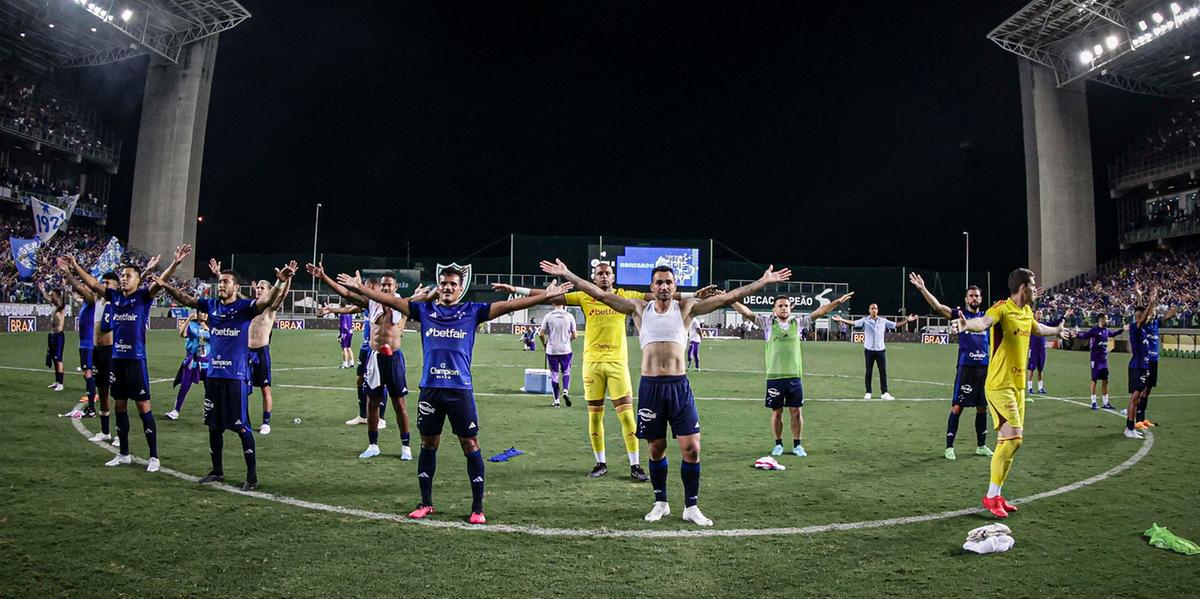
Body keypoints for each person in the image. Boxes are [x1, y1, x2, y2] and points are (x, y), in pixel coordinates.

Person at [543, 259, 790, 526]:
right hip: (651, 388)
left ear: (675, 287)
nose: (663, 286)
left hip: (679, 387)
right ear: (652, 286)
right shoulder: (638, 308)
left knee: (692, 449)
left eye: (669, 282)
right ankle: (661, 503)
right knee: (656, 449)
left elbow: (730, 296)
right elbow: (599, 294)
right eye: (659, 282)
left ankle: (691, 506)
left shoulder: (687, 308)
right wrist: (568, 273)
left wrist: (763, 282)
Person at [340, 266, 572, 524]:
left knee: (470, 445)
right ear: (438, 287)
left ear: (460, 288)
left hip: (460, 390)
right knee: (428, 445)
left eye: (452, 284)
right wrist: (359, 288)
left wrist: (543, 296)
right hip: (431, 389)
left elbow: (510, 306)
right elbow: (391, 300)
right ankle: (426, 503)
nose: (448, 287)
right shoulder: (424, 310)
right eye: (444, 283)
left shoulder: (473, 311)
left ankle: (477, 508)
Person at [495, 265, 716, 481]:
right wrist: (516, 290)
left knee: (628, 417)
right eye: (599, 273)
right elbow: (547, 296)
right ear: (593, 277)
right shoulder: (584, 296)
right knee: (595, 416)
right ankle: (600, 463)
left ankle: (635, 464)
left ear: (614, 277)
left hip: (618, 363)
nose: (603, 277)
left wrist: (693, 294)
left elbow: (660, 293)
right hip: (592, 363)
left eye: (607, 273)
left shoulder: (627, 296)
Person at [153, 260, 296, 491]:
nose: (221, 284)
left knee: (241, 427)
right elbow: (187, 300)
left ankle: (251, 476)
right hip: (214, 376)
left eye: (225, 282)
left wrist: (281, 281)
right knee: (213, 426)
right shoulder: (210, 306)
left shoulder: (245, 308)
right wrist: (165, 285)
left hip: (235, 377)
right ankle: (217, 471)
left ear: (236, 288)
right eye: (220, 281)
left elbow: (268, 300)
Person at [952, 268, 1070, 519]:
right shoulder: (1002, 308)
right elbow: (983, 322)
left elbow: (1038, 329)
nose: (1037, 289)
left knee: (1009, 445)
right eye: (1034, 284)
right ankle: (990, 495)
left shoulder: (1026, 311)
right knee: (1014, 440)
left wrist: (1057, 331)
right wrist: (967, 325)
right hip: (998, 385)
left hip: (1017, 387)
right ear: (1023, 288)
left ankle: (996, 496)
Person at [63, 247, 189, 472]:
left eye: (128, 275)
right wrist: (76, 266)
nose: (123, 278)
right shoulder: (115, 297)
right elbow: (93, 284)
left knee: (143, 407)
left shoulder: (143, 296)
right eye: (122, 275)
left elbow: (161, 282)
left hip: (136, 360)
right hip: (117, 360)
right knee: (120, 405)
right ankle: (124, 454)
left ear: (137, 280)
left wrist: (176, 264)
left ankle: (153, 456)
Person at [310, 266, 421, 459]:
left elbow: (425, 301)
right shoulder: (371, 303)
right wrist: (323, 276)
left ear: (396, 287)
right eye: (384, 286)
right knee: (372, 403)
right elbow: (344, 292)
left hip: (394, 358)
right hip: (375, 358)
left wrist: (427, 294)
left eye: (389, 285)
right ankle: (373, 445)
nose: (386, 289)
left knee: (399, 405)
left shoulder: (403, 305)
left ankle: (405, 447)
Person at [730, 290, 853, 458]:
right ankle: (778, 444)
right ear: (774, 309)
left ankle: (797, 445)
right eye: (780, 306)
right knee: (777, 413)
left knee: (796, 411)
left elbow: (821, 311)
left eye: (786, 306)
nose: (784, 309)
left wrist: (837, 302)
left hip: (795, 376)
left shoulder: (798, 323)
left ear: (790, 308)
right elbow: (746, 312)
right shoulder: (767, 323)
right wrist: (730, 299)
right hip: (775, 377)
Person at [908, 273, 995, 461]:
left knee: (983, 408)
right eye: (971, 296)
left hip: (984, 368)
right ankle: (949, 447)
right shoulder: (959, 315)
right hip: (966, 368)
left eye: (977, 295)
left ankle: (981, 445)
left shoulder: (987, 318)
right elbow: (938, 307)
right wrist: (923, 288)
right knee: (957, 407)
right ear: (966, 299)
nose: (974, 298)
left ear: (981, 298)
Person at [318, 285, 389, 428]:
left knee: (382, 382)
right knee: (360, 380)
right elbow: (350, 309)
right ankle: (363, 415)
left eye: (371, 288)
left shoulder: (384, 305)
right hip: (365, 348)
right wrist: (331, 309)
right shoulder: (367, 304)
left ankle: (381, 417)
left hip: (378, 348)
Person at [57, 261, 109, 422]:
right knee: (86, 374)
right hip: (84, 345)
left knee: (88, 374)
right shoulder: (87, 302)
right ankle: (92, 404)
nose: (83, 288)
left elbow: (79, 288)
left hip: (88, 345)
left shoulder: (92, 300)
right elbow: (76, 293)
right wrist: (67, 285)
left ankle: (92, 408)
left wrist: (68, 272)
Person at [832, 305, 917, 400]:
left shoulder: (883, 321)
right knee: (869, 371)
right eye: (872, 308)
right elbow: (853, 323)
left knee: (883, 372)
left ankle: (884, 393)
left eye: (875, 308)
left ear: (878, 310)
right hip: (869, 350)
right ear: (869, 310)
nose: (874, 310)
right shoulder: (865, 320)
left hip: (881, 350)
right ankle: (868, 392)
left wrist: (907, 320)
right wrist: (842, 320)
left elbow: (896, 325)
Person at [247, 276, 290, 435]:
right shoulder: (251, 306)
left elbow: (283, 295)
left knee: (265, 389)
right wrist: (218, 275)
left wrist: (287, 280)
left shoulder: (271, 308)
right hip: (247, 353)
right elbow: (236, 297)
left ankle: (266, 423)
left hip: (261, 352)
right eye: (257, 287)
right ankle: (244, 420)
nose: (258, 289)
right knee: (243, 388)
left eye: (262, 287)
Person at [1136, 285, 1177, 428]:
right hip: (1145, 361)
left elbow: (1166, 316)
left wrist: (1173, 311)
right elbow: (1142, 313)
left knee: (1148, 390)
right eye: (1151, 313)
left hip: (1155, 360)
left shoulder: (1155, 324)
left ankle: (1143, 417)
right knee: (1141, 390)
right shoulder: (1145, 325)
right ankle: (1138, 419)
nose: (1152, 315)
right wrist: (1142, 297)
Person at [164, 309, 210, 420]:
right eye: (201, 312)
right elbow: (182, 334)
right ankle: (175, 411)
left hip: (206, 363)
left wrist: (208, 330)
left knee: (210, 389)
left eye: (205, 313)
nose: (203, 314)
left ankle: (209, 413)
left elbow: (219, 341)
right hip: (192, 362)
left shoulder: (211, 327)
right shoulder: (192, 325)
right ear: (197, 313)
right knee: (185, 385)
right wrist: (189, 319)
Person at [1124, 291, 1158, 439]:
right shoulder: (1135, 327)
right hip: (1137, 366)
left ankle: (1131, 427)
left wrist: (1152, 302)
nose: (1146, 317)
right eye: (1143, 315)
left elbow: (1147, 316)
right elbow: (1143, 317)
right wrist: (1150, 303)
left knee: (1137, 398)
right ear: (1138, 317)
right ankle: (1129, 428)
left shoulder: (1143, 330)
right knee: (1134, 397)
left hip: (1142, 366)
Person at [1074, 314, 1123, 411]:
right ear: (1101, 320)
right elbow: (1084, 335)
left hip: (1104, 360)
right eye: (1106, 318)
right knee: (1094, 380)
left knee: (1106, 380)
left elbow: (1112, 334)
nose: (1108, 320)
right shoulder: (1094, 330)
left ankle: (1106, 402)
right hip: (1095, 360)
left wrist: (1122, 330)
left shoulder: (1106, 331)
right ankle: (1093, 402)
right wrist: (1076, 334)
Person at [538, 298, 577, 407]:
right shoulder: (569, 316)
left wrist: (544, 344)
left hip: (552, 350)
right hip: (565, 349)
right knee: (566, 372)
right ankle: (565, 391)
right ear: (564, 304)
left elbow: (541, 334)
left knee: (554, 375)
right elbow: (575, 335)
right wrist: (566, 341)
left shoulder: (548, 316)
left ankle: (556, 401)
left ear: (553, 303)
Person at [1026, 309, 1070, 394]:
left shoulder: (1044, 325)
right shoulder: (1030, 324)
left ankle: (1040, 388)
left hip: (1042, 350)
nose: (1039, 315)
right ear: (1034, 315)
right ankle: (1030, 388)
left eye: (1041, 313)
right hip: (1033, 350)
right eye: (1038, 313)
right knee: (1031, 369)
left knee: (1040, 370)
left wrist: (1065, 315)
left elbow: (1055, 323)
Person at [40, 283, 66, 391]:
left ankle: (61, 383)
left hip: (58, 336)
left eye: (53, 295)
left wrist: (65, 289)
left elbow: (62, 303)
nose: (51, 297)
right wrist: (42, 289)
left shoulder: (60, 307)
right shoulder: (55, 306)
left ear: (58, 296)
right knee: (53, 359)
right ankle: (56, 381)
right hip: (52, 335)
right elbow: (47, 297)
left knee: (58, 359)